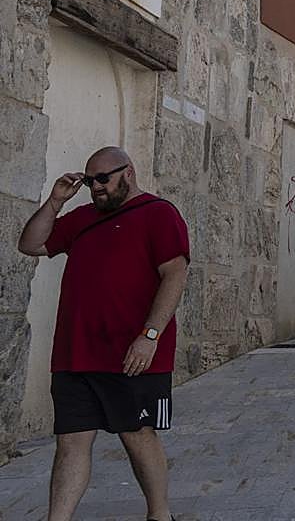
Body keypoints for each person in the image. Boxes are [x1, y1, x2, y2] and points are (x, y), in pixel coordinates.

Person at [17, 147, 189, 521]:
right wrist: (55, 202)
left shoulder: (159, 214)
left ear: (128, 173)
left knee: (137, 434)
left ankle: (160, 515)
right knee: (71, 441)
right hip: (75, 353)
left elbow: (175, 274)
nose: (95, 188)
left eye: (102, 179)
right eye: (90, 180)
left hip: (133, 353)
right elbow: (30, 244)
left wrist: (150, 335)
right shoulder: (82, 218)